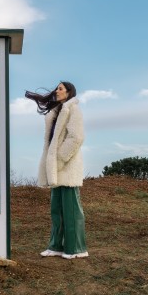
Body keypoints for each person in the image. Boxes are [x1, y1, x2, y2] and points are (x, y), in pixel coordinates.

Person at [25, 81, 88, 260]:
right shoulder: (56, 112)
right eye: (57, 88)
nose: (56, 91)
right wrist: (53, 163)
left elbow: (77, 137)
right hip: (55, 168)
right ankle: (56, 246)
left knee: (71, 210)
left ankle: (76, 248)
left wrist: (60, 159)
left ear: (69, 92)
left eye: (60, 88)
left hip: (66, 166)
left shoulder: (73, 109)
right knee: (56, 209)